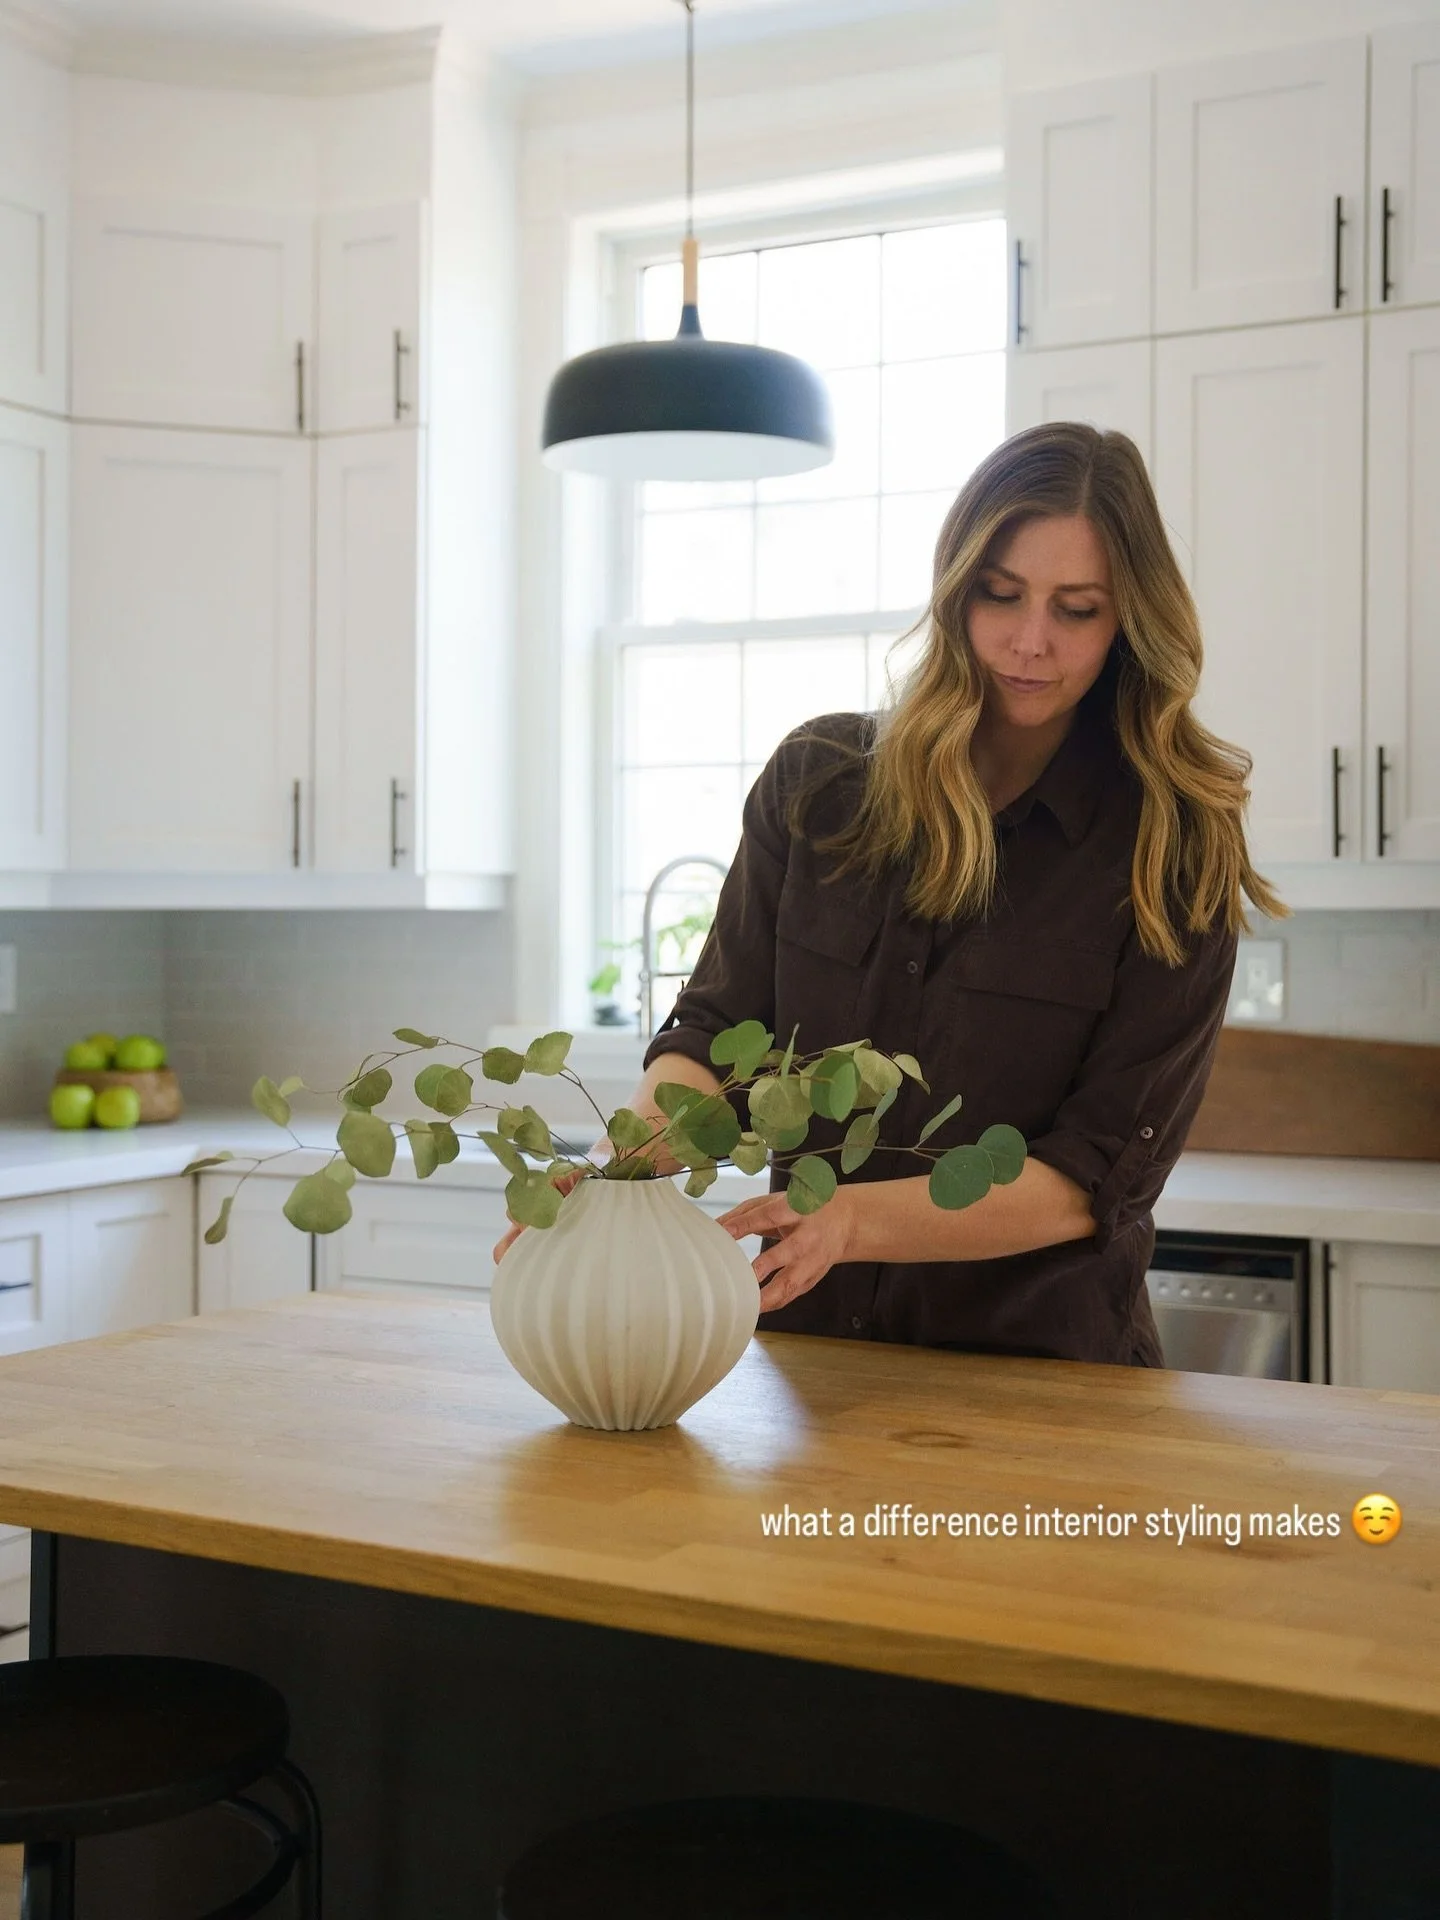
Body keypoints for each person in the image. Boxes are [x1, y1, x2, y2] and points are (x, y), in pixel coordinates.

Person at [507, 422, 1285, 1366]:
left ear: (1130, 618)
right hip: (806, 1371)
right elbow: (714, 1037)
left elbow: (1096, 1180)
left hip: (1046, 1387)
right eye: (1000, 596)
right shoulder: (818, 784)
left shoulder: (1173, 844)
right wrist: (615, 1168)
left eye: (1076, 609)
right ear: (955, 588)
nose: (1030, 642)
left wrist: (848, 1222)